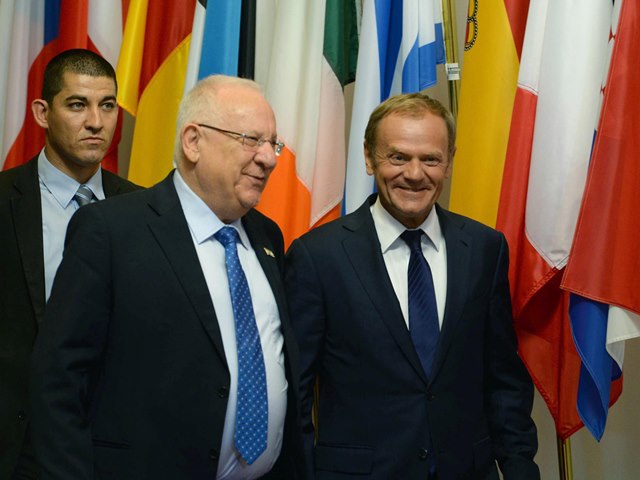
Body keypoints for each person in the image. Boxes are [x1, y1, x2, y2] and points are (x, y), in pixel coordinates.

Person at [30, 75, 302, 479]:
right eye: (251, 140)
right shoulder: (112, 230)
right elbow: (58, 381)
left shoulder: (268, 237)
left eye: (272, 143)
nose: (270, 158)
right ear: (193, 141)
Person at [285, 92, 540, 479]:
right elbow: (296, 395)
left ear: (450, 161)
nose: (415, 174)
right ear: (369, 158)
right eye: (399, 157)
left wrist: (520, 469)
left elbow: (504, 380)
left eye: (431, 159)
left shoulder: (484, 250)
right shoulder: (319, 257)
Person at [0, 48, 139, 480]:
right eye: (77, 105)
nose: (96, 122)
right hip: (14, 447)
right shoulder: (4, 199)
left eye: (108, 105)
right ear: (42, 113)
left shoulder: (145, 209)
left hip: (113, 448)